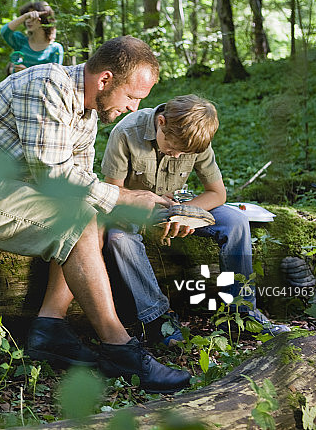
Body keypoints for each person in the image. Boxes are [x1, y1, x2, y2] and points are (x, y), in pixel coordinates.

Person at [0, 37, 192, 393]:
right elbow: (53, 174)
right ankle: (118, 346)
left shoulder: (86, 115)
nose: (133, 107)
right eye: (132, 97)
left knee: (86, 209)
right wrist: (123, 196)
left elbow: (76, 188)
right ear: (105, 80)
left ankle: (49, 328)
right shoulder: (47, 83)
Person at [100, 94, 290, 345]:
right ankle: (158, 320)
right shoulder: (126, 132)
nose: (177, 156)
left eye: (184, 153)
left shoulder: (195, 137)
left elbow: (217, 193)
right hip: (133, 211)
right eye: (172, 149)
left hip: (177, 208)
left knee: (236, 221)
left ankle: (242, 313)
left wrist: (185, 213)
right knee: (118, 237)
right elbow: (113, 195)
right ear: (161, 122)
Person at [1, 1, 63, 75]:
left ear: (43, 19)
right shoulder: (20, 41)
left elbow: (54, 76)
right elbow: (4, 32)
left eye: (32, 17)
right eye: (27, 18)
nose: (28, 21)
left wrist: (28, 73)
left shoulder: (55, 49)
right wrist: (24, 17)